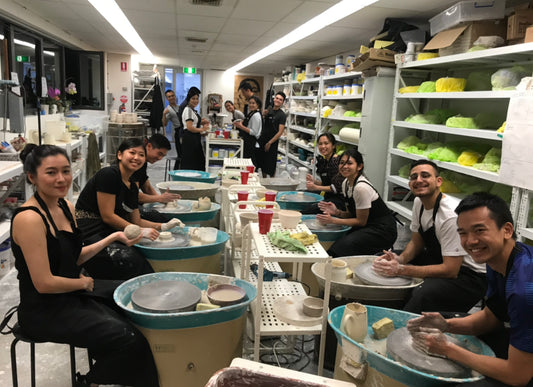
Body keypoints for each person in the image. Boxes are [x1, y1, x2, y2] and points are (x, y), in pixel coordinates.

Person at [11, 144, 159, 387]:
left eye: (66, 171)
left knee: (135, 298)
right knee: (129, 338)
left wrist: (113, 238)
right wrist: (82, 282)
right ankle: (90, 381)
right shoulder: (29, 219)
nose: (61, 179)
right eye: (51, 172)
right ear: (32, 177)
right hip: (45, 309)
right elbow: (44, 283)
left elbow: (75, 257)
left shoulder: (66, 208)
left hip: (71, 292)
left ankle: (108, 367)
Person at [407, 193, 533, 387]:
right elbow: (491, 317)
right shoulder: (501, 259)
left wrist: (447, 349)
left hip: (522, 371)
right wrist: (446, 325)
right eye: (463, 233)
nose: (471, 241)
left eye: (479, 230)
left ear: (507, 230)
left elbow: (518, 375)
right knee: (448, 322)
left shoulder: (524, 289)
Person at [373, 159, 487, 314]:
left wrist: (401, 270)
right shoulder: (419, 203)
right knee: (383, 259)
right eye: (414, 177)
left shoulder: (450, 216)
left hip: (468, 275)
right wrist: (400, 260)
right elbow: (416, 243)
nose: (419, 180)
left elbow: (450, 270)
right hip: (441, 258)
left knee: (422, 293)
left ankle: (402, 323)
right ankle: (388, 308)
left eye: (425, 175)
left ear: (438, 181)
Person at [75, 138, 181, 280]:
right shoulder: (108, 175)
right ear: (120, 155)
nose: (136, 158)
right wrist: (140, 230)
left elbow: (136, 221)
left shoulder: (132, 186)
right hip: (89, 228)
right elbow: (108, 216)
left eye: (141, 155)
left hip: (108, 228)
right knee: (129, 259)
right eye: (132, 153)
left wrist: (164, 226)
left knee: (143, 248)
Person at [316, 148, 397, 257]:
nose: (345, 166)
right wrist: (337, 212)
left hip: (382, 230)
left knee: (339, 249)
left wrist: (334, 221)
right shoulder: (346, 183)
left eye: (349, 163)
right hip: (367, 225)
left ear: (359, 166)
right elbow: (351, 214)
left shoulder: (361, 188)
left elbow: (360, 221)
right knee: (335, 237)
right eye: (342, 163)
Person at [131, 134, 181, 222]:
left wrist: (162, 199)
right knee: (161, 219)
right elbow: (132, 196)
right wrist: (159, 198)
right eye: (159, 154)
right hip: (120, 204)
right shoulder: (134, 162)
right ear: (149, 146)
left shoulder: (143, 162)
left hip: (129, 201)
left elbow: (146, 187)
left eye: (163, 156)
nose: (160, 158)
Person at [301, 132, 345, 214]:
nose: (323, 146)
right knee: (303, 194)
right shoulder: (325, 161)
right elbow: (327, 183)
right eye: (320, 144)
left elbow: (336, 187)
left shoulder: (336, 162)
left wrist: (315, 187)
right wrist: (315, 182)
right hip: (328, 195)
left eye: (326, 143)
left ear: (333, 146)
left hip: (339, 199)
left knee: (309, 209)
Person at [180, 87, 209, 171]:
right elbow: (189, 127)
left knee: (198, 162)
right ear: (189, 99)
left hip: (194, 138)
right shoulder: (188, 110)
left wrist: (202, 132)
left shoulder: (192, 110)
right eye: (193, 98)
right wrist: (202, 129)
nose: (195, 101)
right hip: (190, 139)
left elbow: (195, 125)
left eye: (197, 98)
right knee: (191, 163)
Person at [258, 91, 287, 177]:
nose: (278, 100)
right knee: (263, 163)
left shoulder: (282, 115)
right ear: (274, 99)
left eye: (280, 99)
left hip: (272, 142)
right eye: (277, 98)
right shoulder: (269, 110)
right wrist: (263, 115)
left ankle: (271, 182)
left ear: (282, 102)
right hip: (263, 139)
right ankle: (264, 180)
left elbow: (280, 132)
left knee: (270, 164)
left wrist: (270, 143)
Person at [234, 95, 262, 168]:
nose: (251, 105)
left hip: (252, 144)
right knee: (246, 165)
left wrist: (241, 126)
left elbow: (254, 132)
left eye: (253, 103)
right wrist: (241, 122)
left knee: (251, 166)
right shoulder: (252, 113)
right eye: (250, 103)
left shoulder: (256, 115)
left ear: (258, 104)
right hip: (248, 142)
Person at [162, 89, 184, 170]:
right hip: (178, 132)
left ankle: (182, 170)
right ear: (167, 98)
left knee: (185, 153)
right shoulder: (168, 109)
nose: (171, 98)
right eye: (169, 97)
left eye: (172, 96)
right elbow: (164, 124)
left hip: (184, 131)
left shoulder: (179, 107)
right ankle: (177, 171)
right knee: (180, 154)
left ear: (175, 96)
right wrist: (164, 114)